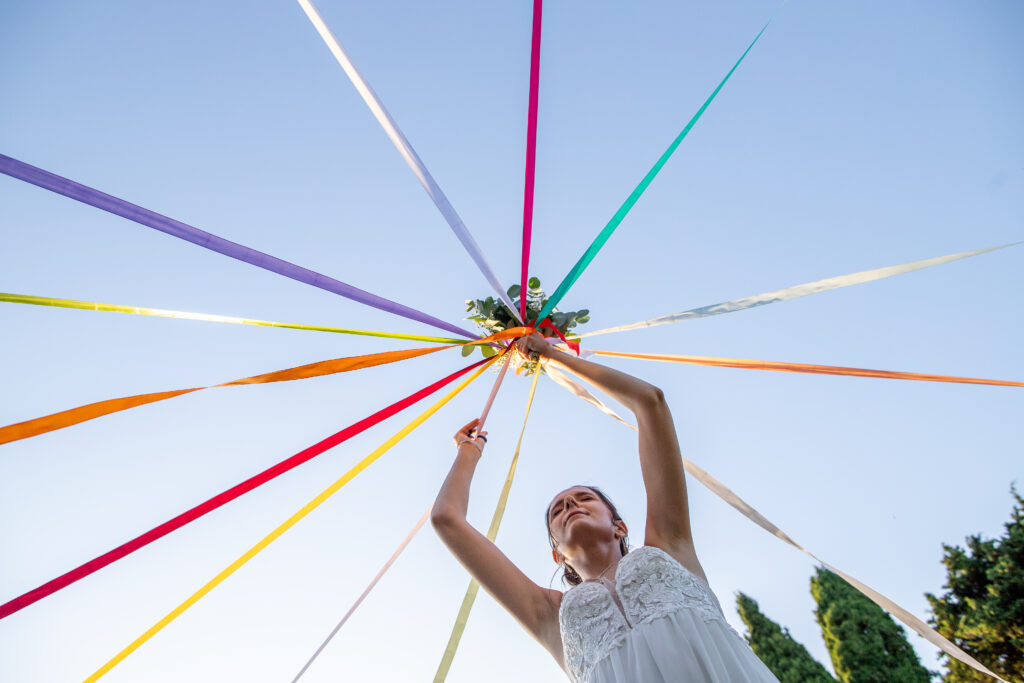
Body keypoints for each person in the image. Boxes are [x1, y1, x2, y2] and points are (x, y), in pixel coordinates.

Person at [431, 333, 780, 682]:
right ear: (558, 556)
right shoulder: (547, 615)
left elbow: (651, 402)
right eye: (557, 510)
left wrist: (552, 355)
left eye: (584, 498)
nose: (569, 503)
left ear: (620, 527)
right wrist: (468, 452)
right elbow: (446, 520)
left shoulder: (671, 546)